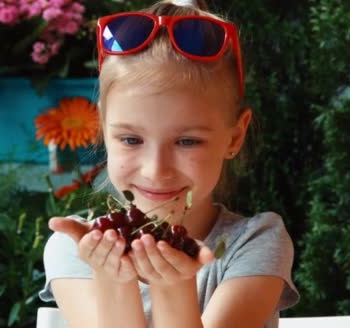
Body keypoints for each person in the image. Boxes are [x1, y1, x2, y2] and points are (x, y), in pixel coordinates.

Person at [38, 0, 300, 327]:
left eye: (187, 141)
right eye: (131, 139)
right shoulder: (74, 249)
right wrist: (114, 281)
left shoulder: (255, 242)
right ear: (103, 129)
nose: (156, 170)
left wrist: (173, 288)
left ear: (233, 138)